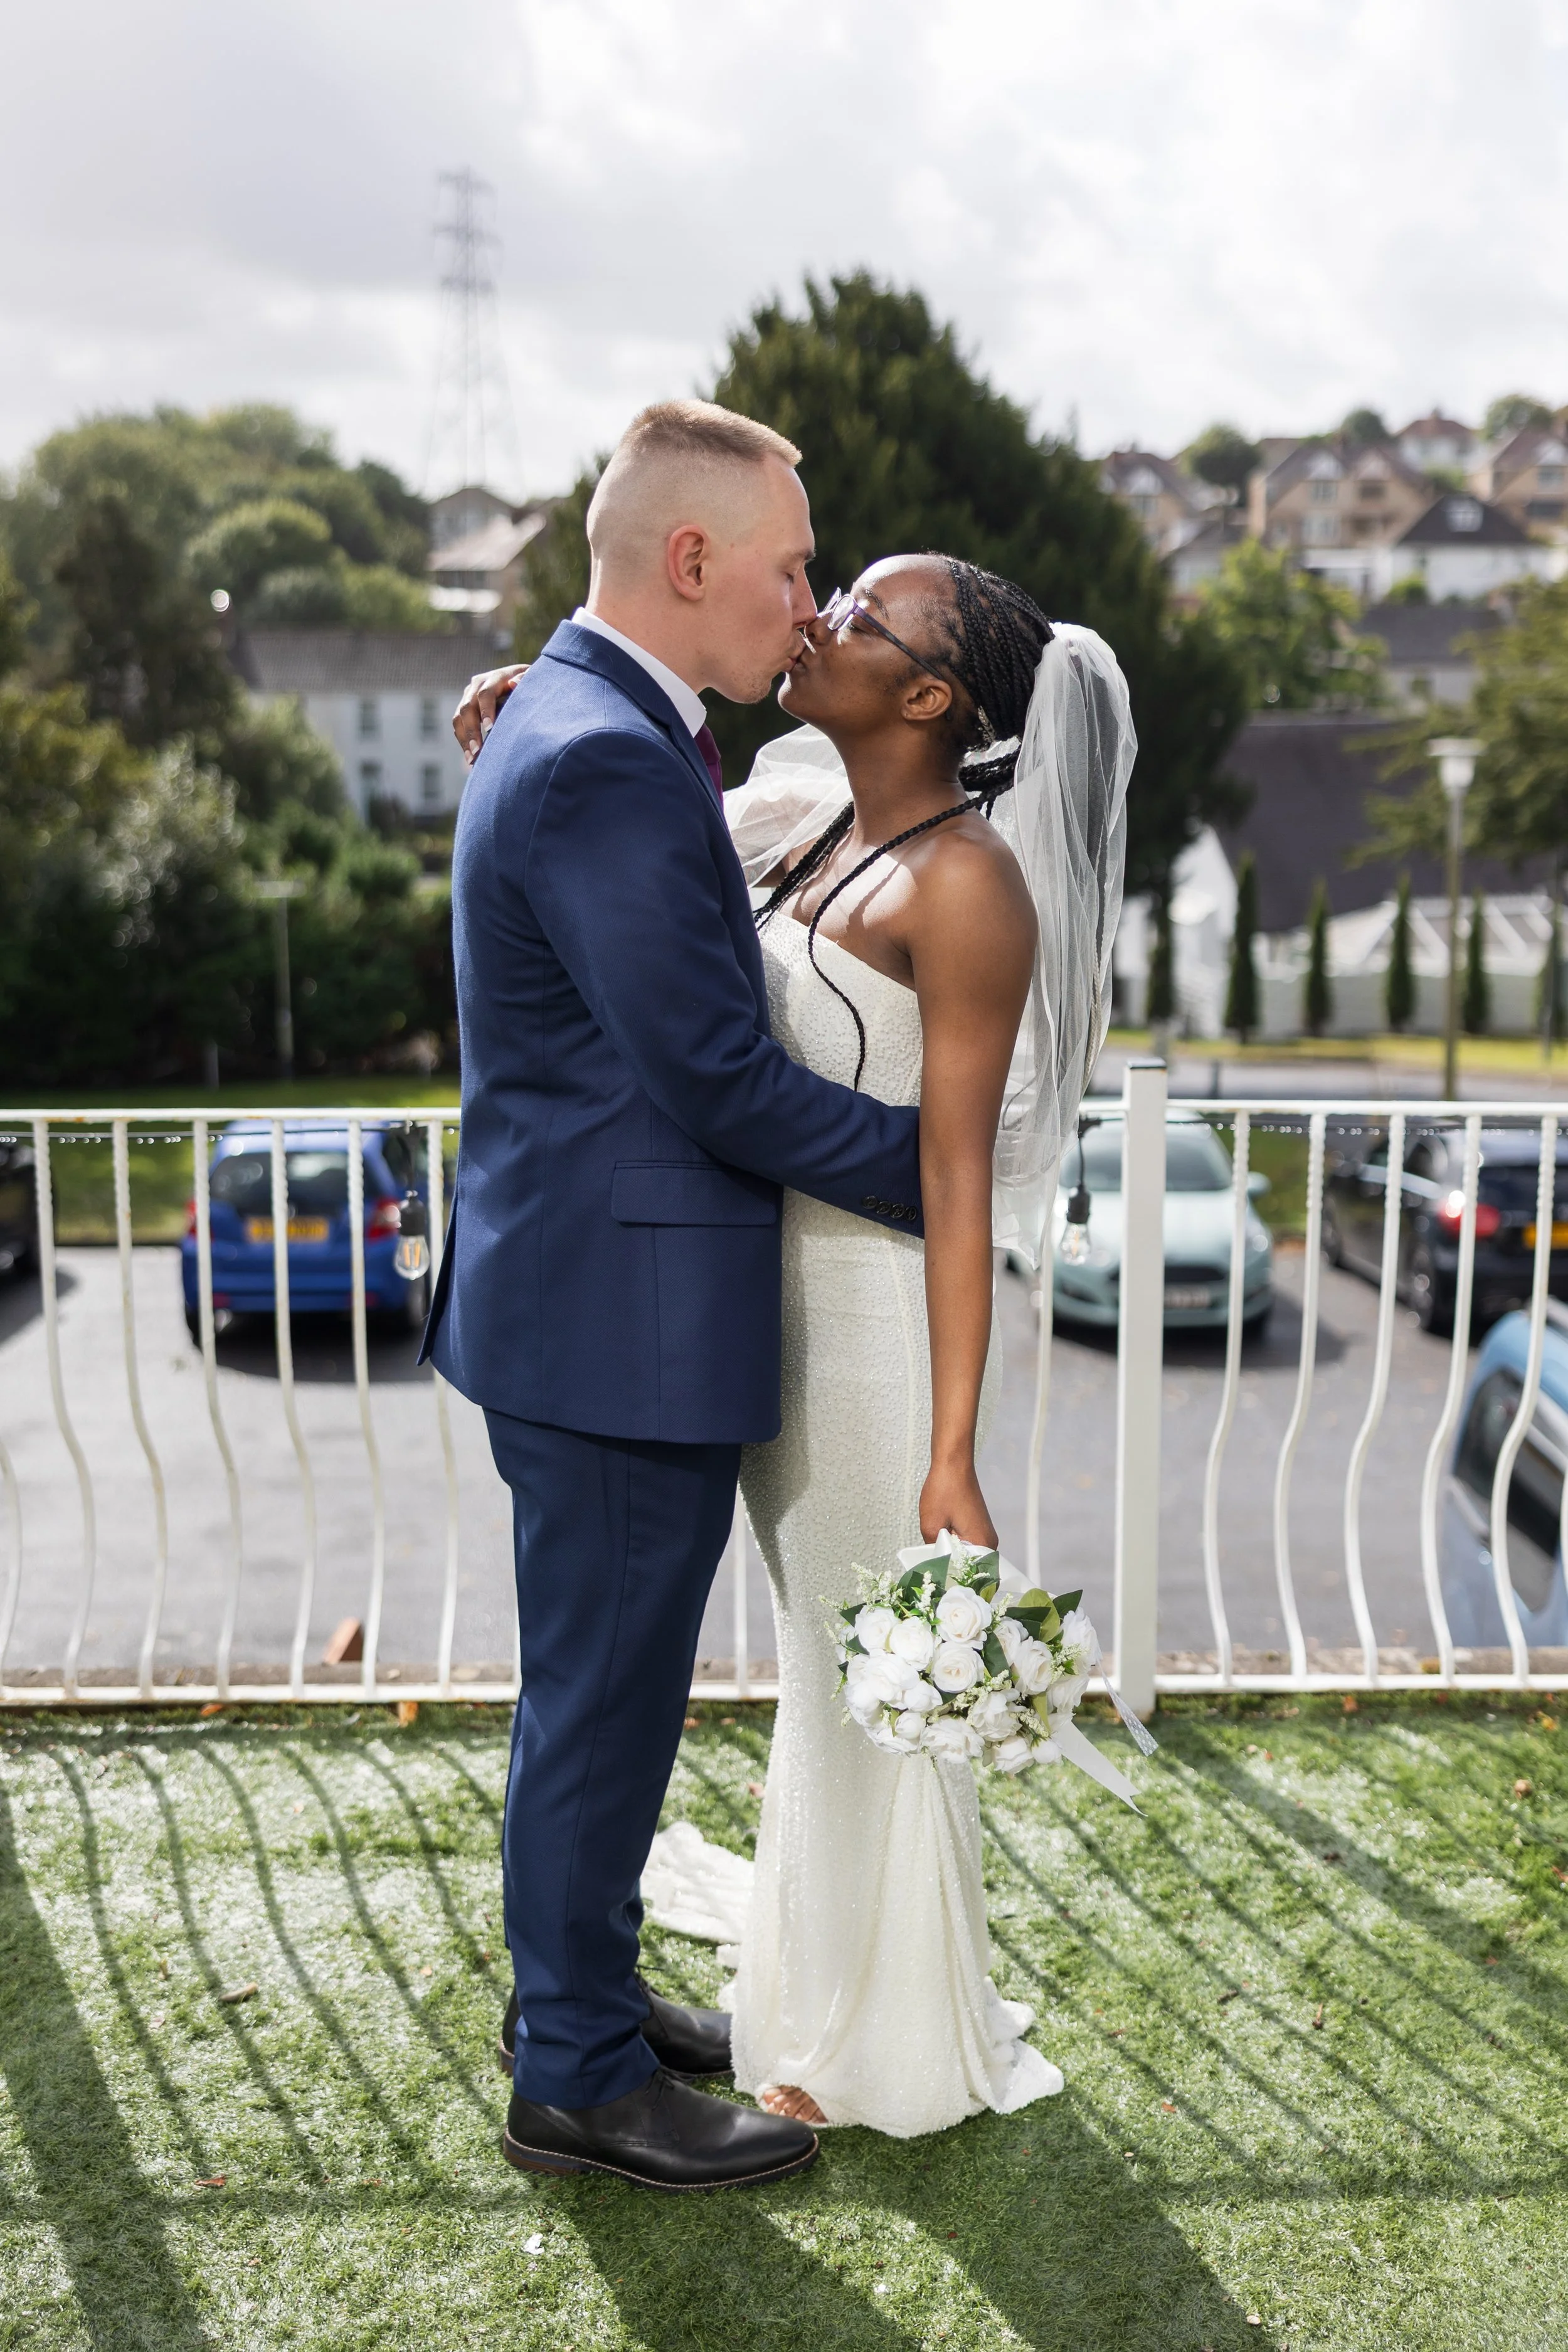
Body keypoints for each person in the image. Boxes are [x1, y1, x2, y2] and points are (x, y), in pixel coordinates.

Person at [453, 552, 1133, 2139]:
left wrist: (953, 1447)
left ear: (928, 697)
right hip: (750, 1322)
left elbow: (956, 1180)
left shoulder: (965, 884)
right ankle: (788, 1984)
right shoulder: (802, 815)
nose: (818, 619)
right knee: (810, 1680)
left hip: (878, 1334)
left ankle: (879, 2034)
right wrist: (523, 705)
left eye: (863, 616)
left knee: (862, 1689)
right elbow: (638, 810)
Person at [422, 400, 930, 2193]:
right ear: (690, 558)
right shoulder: (600, 752)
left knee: (608, 1696)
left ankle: (587, 1998)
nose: (808, 601)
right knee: (601, 1704)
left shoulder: (596, 720)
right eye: (792, 563)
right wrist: (937, 1166)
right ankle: (571, 2074)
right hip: (607, 1324)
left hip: (587, 1304)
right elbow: (717, 1074)